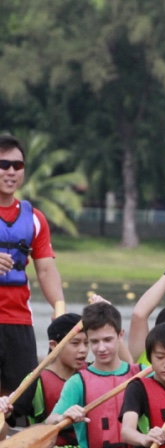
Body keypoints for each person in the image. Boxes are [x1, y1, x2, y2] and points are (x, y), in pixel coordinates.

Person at [0, 134, 65, 395]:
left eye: (18, 165)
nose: (11, 171)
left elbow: (46, 269)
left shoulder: (35, 219)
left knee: (20, 401)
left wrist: (59, 306)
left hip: (19, 321)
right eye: (4, 164)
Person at [45, 302, 139, 448]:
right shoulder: (77, 382)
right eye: (94, 342)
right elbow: (50, 422)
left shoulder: (141, 374)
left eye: (107, 340)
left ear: (120, 335)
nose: (101, 348)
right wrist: (63, 417)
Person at [0, 312, 87, 444]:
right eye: (75, 343)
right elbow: (7, 419)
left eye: (87, 343)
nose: (83, 350)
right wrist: (4, 411)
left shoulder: (91, 372)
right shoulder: (35, 380)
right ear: (53, 345)